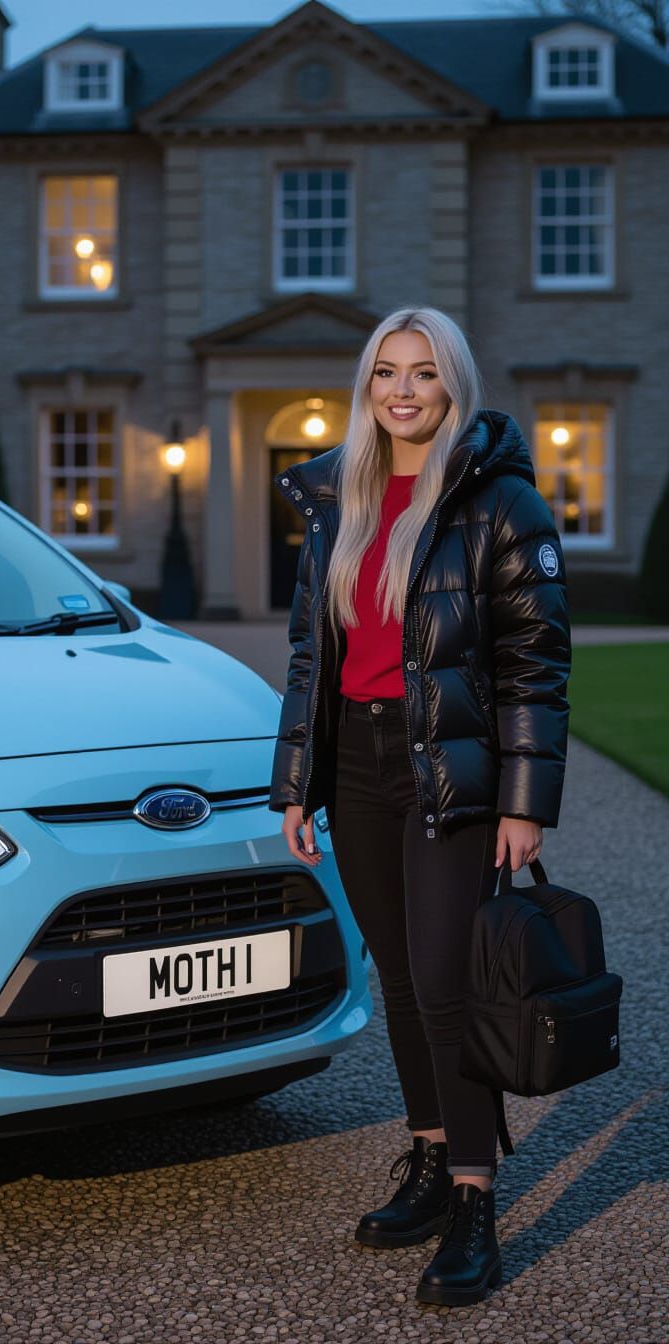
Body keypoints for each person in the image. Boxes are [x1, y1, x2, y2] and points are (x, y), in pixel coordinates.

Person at [267, 305, 571, 1308]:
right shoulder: (335, 495)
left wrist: (524, 802)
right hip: (356, 762)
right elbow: (315, 656)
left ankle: (477, 1199)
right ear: (368, 386)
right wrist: (298, 783)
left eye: (425, 374)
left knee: (449, 982)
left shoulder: (500, 502)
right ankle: (433, 1160)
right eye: (387, 372)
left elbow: (535, 661)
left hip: (452, 766)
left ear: (454, 387)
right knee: (397, 975)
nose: (404, 390)